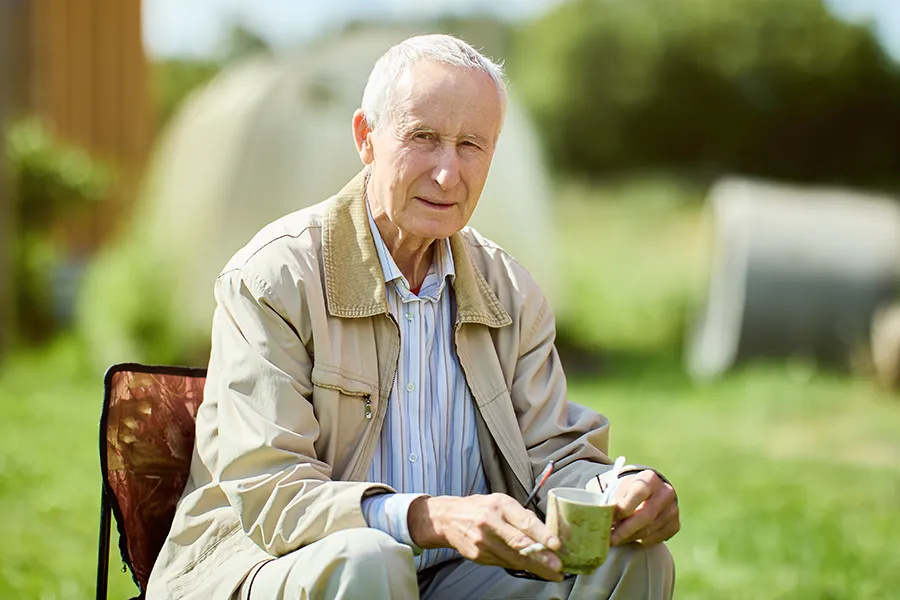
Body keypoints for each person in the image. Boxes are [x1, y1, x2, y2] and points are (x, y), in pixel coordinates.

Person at [146, 34, 679, 600]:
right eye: (423, 138)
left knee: (631, 560)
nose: (448, 174)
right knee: (369, 559)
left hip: (454, 577)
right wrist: (428, 518)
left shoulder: (511, 292)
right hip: (270, 564)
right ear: (366, 139)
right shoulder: (274, 278)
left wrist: (618, 489)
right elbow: (273, 492)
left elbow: (550, 456)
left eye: (472, 145)